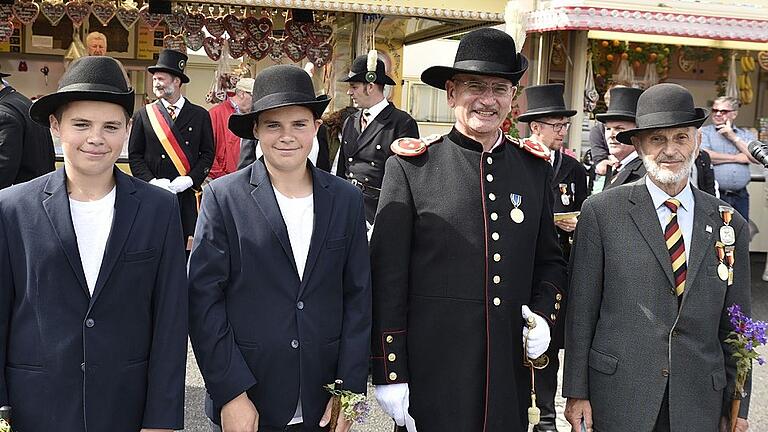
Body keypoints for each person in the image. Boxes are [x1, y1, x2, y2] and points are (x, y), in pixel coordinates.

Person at [370, 28, 567, 432]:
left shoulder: (533, 170)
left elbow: (549, 261)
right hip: (434, 374)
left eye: (500, 88)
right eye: (475, 86)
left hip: (507, 377)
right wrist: (391, 372)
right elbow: (387, 279)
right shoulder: (412, 168)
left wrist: (545, 316)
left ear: (513, 98)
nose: (488, 100)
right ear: (451, 93)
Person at [0, 56, 187, 431]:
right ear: (56, 126)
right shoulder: (12, 207)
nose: (96, 138)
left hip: (125, 405)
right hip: (36, 405)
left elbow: (170, 320)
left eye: (111, 126)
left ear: (128, 129)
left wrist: (161, 419)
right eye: (81, 124)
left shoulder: (158, 208)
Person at [188, 64, 371, 432]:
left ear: (316, 128)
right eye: (273, 125)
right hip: (250, 397)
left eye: (299, 124)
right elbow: (204, 300)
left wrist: (349, 389)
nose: (287, 136)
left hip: (322, 397)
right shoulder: (223, 198)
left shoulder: (346, 199)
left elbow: (358, 296)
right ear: (255, 130)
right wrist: (231, 392)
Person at [564, 83, 751, 432]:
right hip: (619, 395)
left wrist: (739, 403)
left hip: (699, 401)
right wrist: (576, 392)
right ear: (638, 145)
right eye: (657, 139)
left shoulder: (729, 222)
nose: (670, 150)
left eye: (681, 137)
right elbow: (581, 310)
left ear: (697, 141)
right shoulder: (602, 213)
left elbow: (737, 325)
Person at [517, 83, 586, 432]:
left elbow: (583, 211)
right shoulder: (521, 161)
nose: (561, 131)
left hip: (558, 271)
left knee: (548, 352)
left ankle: (546, 419)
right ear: (535, 127)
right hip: (526, 267)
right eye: (555, 125)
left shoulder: (573, 169)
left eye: (564, 125)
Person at [128, 49, 215, 244]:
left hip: (185, 197)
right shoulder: (144, 114)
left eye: (161, 78)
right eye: (155, 79)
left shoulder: (200, 115)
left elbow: (208, 154)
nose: (156, 83)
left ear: (177, 81)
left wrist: (190, 180)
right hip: (153, 195)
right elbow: (135, 155)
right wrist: (150, 182)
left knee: (182, 249)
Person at [335, 53, 419, 224]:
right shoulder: (350, 121)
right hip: (348, 206)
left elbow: (409, 178)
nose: (349, 92)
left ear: (371, 86)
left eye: (354, 86)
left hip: (380, 212)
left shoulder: (401, 123)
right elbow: (342, 170)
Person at [700, 96, 757, 220]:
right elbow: (705, 156)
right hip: (715, 194)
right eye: (715, 110)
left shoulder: (745, 134)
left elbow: (755, 157)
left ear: (734, 114)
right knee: (717, 234)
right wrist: (737, 158)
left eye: (723, 111)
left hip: (741, 196)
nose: (718, 114)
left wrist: (733, 137)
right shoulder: (704, 132)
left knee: (741, 233)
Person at [0, 71, 55, 189]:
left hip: (20, 200)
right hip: (40, 192)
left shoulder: (3, 113)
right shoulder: (22, 101)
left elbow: (3, 173)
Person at [599, 87, 646, 191]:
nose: (611, 134)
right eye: (607, 128)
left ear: (637, 133)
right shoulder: (616, 167)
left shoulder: (645, 172)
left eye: (619, 128)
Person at [208, 77, 254, 181]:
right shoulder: (216, 114)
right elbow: (207, 151)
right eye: (253, 96)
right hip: (220, 179)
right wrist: (223, 178)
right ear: (242, 94)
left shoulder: (252, 115)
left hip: (245, 178)